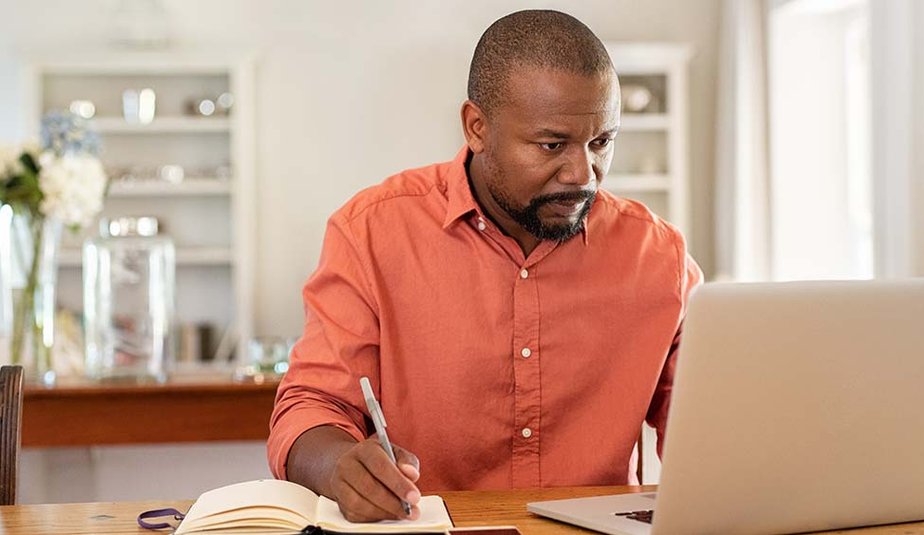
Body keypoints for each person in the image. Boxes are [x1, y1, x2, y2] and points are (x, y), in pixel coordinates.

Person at [267, 9, 703, 523]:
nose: (583, 174)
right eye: (552, 144)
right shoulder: (370, 233)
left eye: (601, 142)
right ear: (477, 127)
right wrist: (339, 465)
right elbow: (309, 406)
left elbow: (711, 434)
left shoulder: (659, 258)